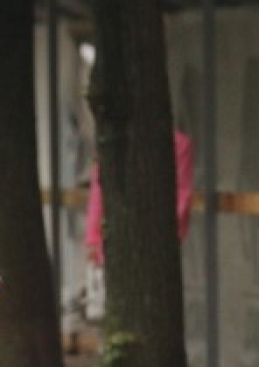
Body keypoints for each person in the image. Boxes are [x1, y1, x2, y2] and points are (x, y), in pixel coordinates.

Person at [82, 128, 194, 321]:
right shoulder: (113, 141)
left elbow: (181, 195)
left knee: (150, 310)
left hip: (154, 246)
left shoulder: (178, 145)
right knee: (115, 311)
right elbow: (98, 191)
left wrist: (165, 236)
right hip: (116, 242)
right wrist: (93, 238)